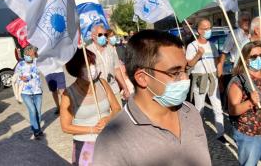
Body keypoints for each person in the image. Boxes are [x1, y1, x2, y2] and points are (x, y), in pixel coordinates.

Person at [93, 30, 211, 166]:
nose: (185, 78)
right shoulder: (113, 141)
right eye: (175, 72)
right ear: (142, 78)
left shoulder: (191, 112)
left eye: (185, 70)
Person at [60, 48, 121, 166]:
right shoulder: (68, 94)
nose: (92, 67)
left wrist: (108, 118)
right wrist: (92, 129)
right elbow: (66, 127)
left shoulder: (102, 83)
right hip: (85, 147)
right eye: (87, 64)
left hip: (108, 139)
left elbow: (117, 108)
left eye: (93, 63)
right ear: (76, 69)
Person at [186, 19, 225, 142]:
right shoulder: (192, 46)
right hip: (200, 80)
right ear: (198, 31)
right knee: (199, 108)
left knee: (218, 107)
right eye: (205, 28)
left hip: (213, 79)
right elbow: (188, 64)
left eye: (209, 28)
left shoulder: (212, 45)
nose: (208, 31)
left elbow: (217, 62)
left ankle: (221, 133)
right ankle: (200, 134)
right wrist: (198, 54)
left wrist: (220, 79)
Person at [87, 24, 130, 107]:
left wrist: (125, 87)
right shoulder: (88, 52)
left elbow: (117, 69)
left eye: (105, 34)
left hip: (114, 89)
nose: (103, 37)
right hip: (99, 92)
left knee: (118, 116)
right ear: (93, 36)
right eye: (100, 35)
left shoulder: (110, 48)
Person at [14, 45, 43, 139]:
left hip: (37, 91)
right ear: (26, 53)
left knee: (38, 112)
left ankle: (38, 129)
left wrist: (29, 77)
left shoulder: (37, 63)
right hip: (25, 92)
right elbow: (16, 76)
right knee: (32, 110)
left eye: (33, 53)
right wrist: (20, 77)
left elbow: (37, 72)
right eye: (29, 53)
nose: (31, 55)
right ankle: (36, 131)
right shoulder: (20, 64)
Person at [217, 11, 251, 76]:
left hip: (252, 67)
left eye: (249, 20)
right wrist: (220, 70)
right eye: (245, 20)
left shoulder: (252, 33)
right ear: (239, 22)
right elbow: (224, 52)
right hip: (238, 66)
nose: (247, 22)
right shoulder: (234, 34)